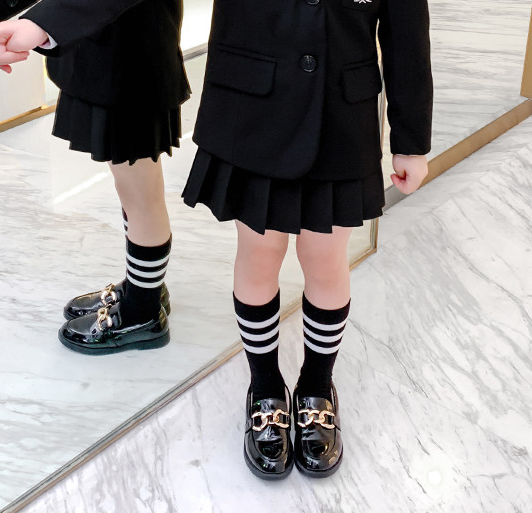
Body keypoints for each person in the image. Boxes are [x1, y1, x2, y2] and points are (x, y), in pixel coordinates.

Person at [180, 0, 433, 479]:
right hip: (252, 106)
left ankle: (317, 384)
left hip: (341, 116)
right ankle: (264, 386)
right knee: (259, 253)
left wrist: (411, 140)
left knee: (326, 258)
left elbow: (407, 34)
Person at [0, 0, 190, 355]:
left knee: (140, 193)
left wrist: (39, 22)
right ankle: (143, 287)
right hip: (103, 48)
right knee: (131, 188)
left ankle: (142, 314)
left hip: (133, 56)